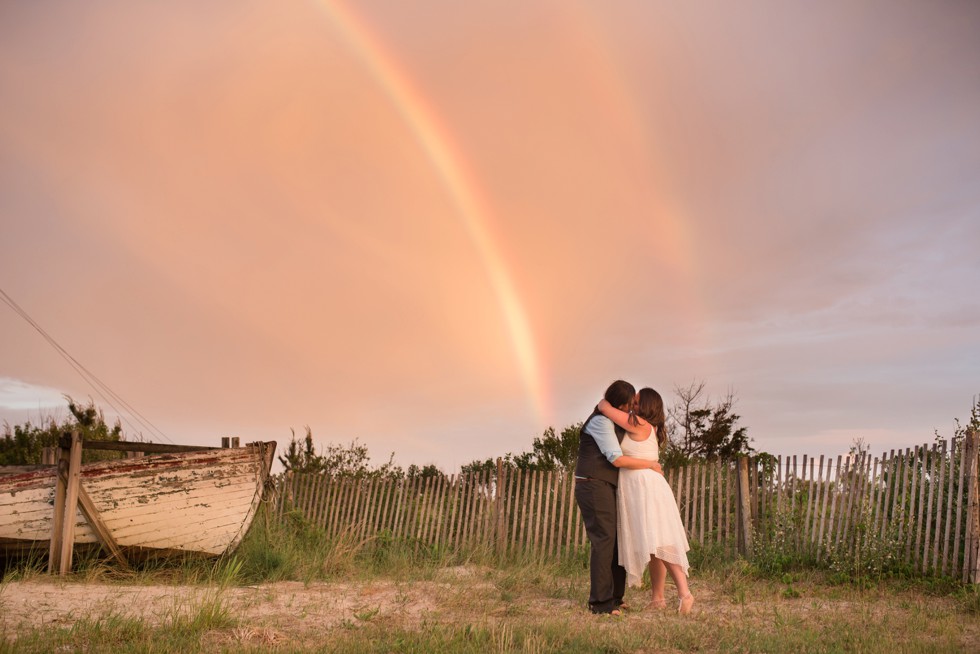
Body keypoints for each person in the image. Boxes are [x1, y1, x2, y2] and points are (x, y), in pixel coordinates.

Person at [598, 387, 694, 614]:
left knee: (661, 543)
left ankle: (685, 593)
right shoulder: (650, 427)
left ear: (648, 407)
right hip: (644, 486)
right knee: (654, 545)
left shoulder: (639, 424)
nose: (633, 405)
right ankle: (658, 598)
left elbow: (605, 408)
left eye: (638, 402)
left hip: (645, 487)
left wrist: (605, 403)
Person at [574, 380, 664, 616]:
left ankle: (615, 597)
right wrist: (651, 465)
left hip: (607, 485)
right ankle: (600, 603)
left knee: (617, 539)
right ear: (619, 403)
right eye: (628, 405)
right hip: (592, 484)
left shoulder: (614, 419)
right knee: (604, 540)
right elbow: (615, 459)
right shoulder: (601, 422)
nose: (631, 410)